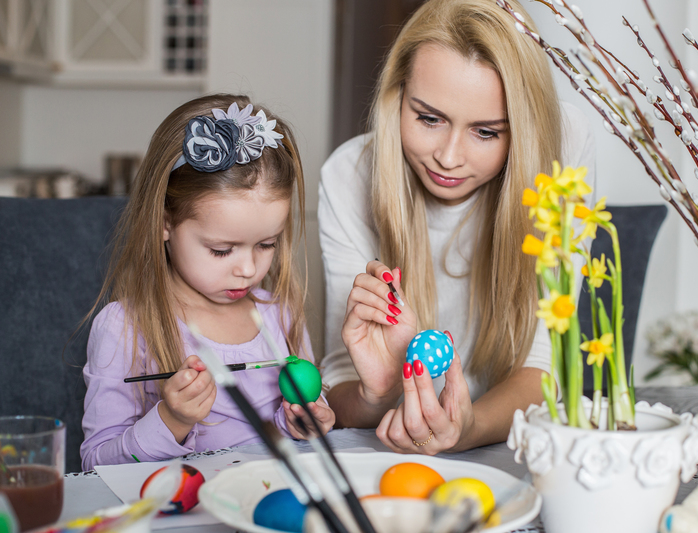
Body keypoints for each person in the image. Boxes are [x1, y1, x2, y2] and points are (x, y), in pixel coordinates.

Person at [319, 0, 595, 454]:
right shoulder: (348, 176)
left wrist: (468, 427)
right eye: (429, 118)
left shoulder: (562, 144)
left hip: (503, 441)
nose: (448, 158)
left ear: (522, 130)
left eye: (486, 132)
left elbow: (545, 363)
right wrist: (378, 391)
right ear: (397, 96)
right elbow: (338, 386)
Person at [81, 94, 334, 471]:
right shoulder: (125, 328)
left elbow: (291, 418)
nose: (248, 269)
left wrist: (301, 420)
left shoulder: (278, 313)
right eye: (221, 250)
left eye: (267, 244)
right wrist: (172, 420)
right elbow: (94, 465)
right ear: (165, 223)